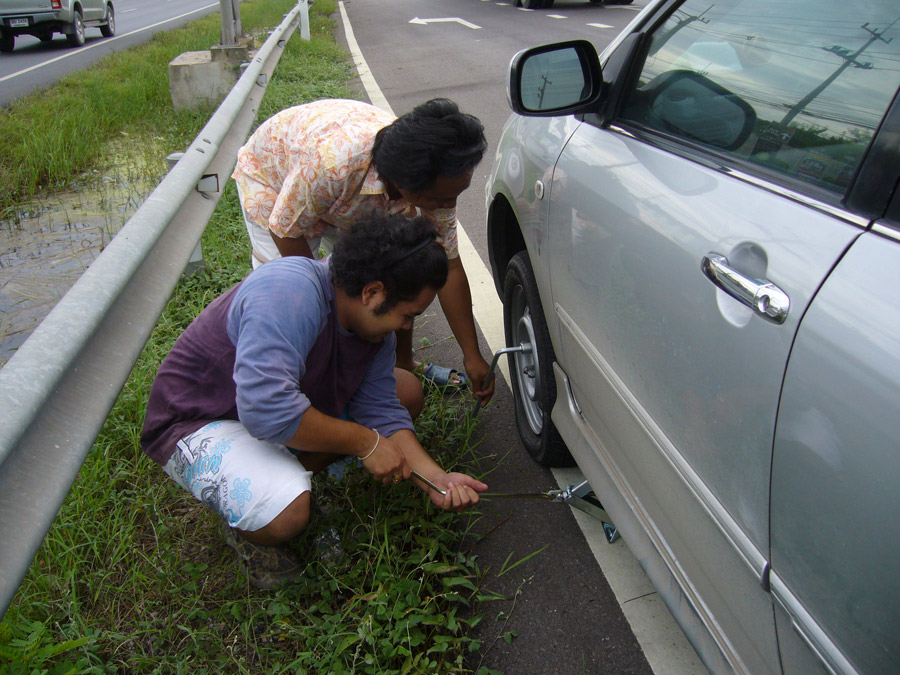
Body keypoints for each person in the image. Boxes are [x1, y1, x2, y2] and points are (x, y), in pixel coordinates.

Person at [140, 213, 488, 589]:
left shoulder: (370, 326)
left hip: (268, 411)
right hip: (196, 421)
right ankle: (251, 521)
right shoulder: (289, 291)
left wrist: (436, 479)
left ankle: (286, 475)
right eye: (408, 315)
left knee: (405, 393)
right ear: (372, 292)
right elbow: (265, 411)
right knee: (288, 514)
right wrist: (364, 442)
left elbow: (382, 411)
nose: (406, 328)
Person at [231, 97, 495, 403]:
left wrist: (471, 354)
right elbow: (286, 230)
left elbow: (449, 267)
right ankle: (304, 391)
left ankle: (402, 364)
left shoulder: (437, 183)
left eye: (456, 196)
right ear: (406, 182)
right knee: (295, 296)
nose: (449, 206)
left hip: (342, 191)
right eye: (443, 199)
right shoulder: (333, 165)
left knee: (400, 276)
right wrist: (328, 314)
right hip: (276, 180)